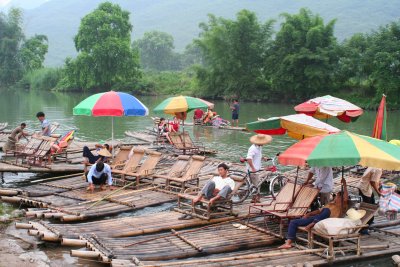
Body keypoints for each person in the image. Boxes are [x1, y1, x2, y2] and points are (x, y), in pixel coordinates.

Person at [279, 178, 349, 249]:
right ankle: (288, 242)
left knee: (326, 211)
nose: (335, 197)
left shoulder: (342, 205)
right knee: (293, 222)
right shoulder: (330, 204)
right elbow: (318, 211)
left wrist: (345, 184)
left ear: (341, 198)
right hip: (317, 218)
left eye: (337, 196)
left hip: (327, 220)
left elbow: (346, 198)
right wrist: (308, 214)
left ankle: (313, 223)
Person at [246, 134, 273, 203]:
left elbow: (257, 155)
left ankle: (256, 198)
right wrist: (253, 168)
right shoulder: (253, 148)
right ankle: (255, 199)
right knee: (256, 184)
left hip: (257, 168)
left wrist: (263, 158)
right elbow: (249, 158)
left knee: (257, 184)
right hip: (252, 170)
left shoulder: (259, 147)